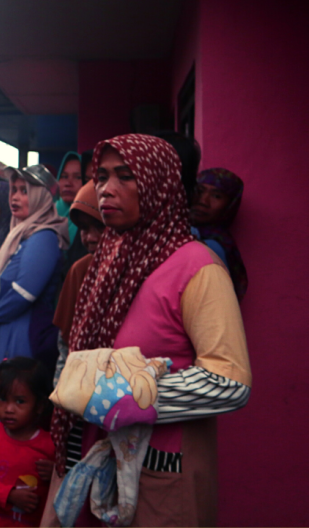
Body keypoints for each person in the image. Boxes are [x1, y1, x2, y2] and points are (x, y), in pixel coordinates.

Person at [44, 134, 251, 527]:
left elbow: (230, 381)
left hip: (160, 471)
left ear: (160, 185)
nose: (106, 189)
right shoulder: (106, 258)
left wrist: (131, 396)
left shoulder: (198, 266)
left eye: (125, 176)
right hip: (91, 457)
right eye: (101, 177)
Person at [0, 165, 68, 412]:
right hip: (7, 331)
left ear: (41, 197)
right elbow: (1, 284)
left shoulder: (43, 238)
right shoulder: (21, 235)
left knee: (16, 409)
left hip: (22, 337)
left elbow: (23, 293)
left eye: (24, 191)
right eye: (13, 190)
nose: (14, 197)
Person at [0, 357, 55, 527]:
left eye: (20, 401)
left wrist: (56, 473)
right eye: (3, 399)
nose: (9, 409)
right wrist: (9, 495)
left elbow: (66, 487)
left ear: (40, 405)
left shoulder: (50, 444)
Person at [50, 183, 102, 385]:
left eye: (100, 226)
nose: (90, 238)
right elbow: (65, 347)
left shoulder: (139, 270)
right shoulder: (80, 270)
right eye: (84, 229)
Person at [191, 168, 247, 300]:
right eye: (199, 191)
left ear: (230, 205)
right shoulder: (176, 230)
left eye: (216, 196)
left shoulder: (213, 247)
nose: (203, 201)